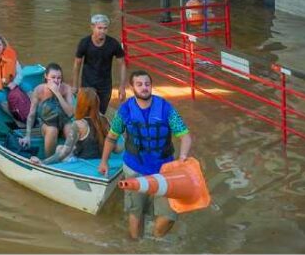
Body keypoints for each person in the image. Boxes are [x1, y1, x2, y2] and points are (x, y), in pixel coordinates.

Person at [98, 70, 193, 240]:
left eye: (147, 84)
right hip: (135, 169)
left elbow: (185, 135)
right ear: (132, 87)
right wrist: (104, 162)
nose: (144, 88)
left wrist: (183, 157)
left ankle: (156, 239)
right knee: (136, 211)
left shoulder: (166, 108)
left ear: (151, 86)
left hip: (164, 171)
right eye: (139, 84)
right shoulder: (125, 110)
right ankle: (136, 246)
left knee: (170, 215)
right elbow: (111, 138)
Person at [30, 87, 111, 165]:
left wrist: (43, 162)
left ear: (81, 104)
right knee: (60, 147)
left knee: (60, 150)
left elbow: (64, 153)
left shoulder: (78, 125)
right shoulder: (104, 120)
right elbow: (116, 148)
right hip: (100, 160)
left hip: (83, 163)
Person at [73, 14, 127, 115]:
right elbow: (77, 64)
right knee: (84, 113)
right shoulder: (84, 43)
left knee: (100, 114)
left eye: (105, 28)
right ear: (92, 27)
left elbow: (122, 65)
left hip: (105, 86)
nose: (102, 31)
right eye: (99, 28)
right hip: (87, 84)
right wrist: (75, 86)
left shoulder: (113, 44)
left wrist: (122, 87)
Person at [20, 63, 74, 158]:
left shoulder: (66, 89)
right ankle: (50, 160)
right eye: (53, 77)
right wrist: (27, 135)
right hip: (47, 124)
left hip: (64, 121)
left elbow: (70, 114)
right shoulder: (39, 90)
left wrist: (58, 94)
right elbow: (31, 115)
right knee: (52, 130)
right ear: (46, 76)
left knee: (71, 129)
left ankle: (72, 157)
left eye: (59, 78)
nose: (56, 81)